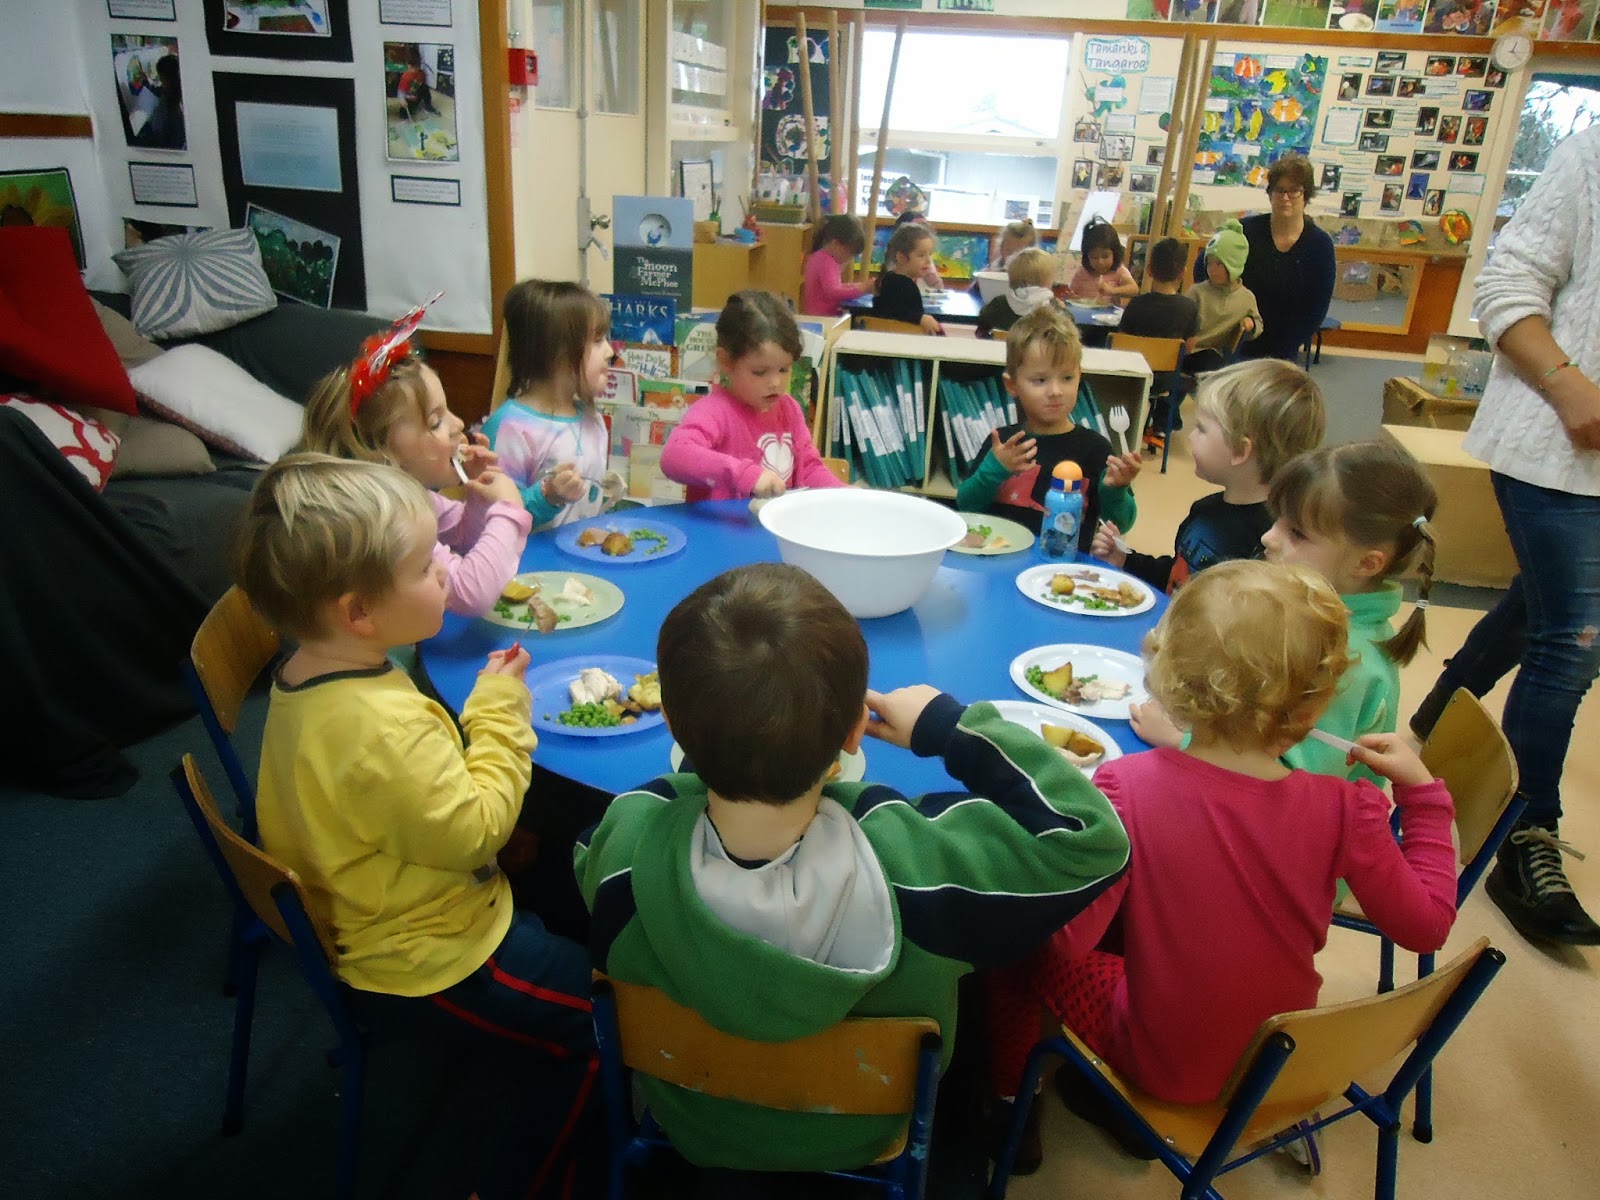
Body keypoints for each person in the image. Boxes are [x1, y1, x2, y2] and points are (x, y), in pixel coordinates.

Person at [574, 562, 1131, 1174]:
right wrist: (949, 728)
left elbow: (595, 846)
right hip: (862, 1133)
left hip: (694, 1122)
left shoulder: (627, 844)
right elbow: (1092, 840)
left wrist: (711, 757)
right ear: (854, 734)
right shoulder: (917, 867)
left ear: (671, 723)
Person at [984, 560, 1457, 1172]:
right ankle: (1105, 1103)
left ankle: (1008, 1110)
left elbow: (1068, 939)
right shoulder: (1350, 808)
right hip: (1281, 1060)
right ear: (1315, 706)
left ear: (1168, 678)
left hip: (1167, 1062)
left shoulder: (1126, 788)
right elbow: (1428, 926)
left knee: (1017, 954)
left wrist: (1038, 845)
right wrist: (1423, 797)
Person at [237, 453, 597, 1199]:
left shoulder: (314, 670)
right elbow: (477, 832)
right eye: (427, 563)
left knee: (555, 869)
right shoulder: (381, 730)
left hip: (379, 903)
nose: (446, 568)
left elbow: (394, 806)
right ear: (358, 613)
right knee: (604, 1027)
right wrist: (499, 710)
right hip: (433, 957)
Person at [1410, 125, 1600, 946]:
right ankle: (1527, 832)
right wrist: (1568, 386)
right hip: (1561, 444)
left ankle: (1442, 708)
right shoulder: (1591, 154)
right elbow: (1506, 286)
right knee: (1576, 636)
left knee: (1545, 604)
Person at [1132, 439, 1437, 785]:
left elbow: (1289, 786)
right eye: (1277, 520)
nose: (1268, 537)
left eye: (1297, 533)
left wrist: (1183, 741)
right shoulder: (1309, 614)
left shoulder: (1343, 660)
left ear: (1366, 564)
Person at [299, 316, 531, 618]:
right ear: (381, 454)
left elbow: (464, 537)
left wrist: (477, 491)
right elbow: (469, 594)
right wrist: (509, 511)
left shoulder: (415, 496)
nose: (458, 424)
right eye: (435, 422)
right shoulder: (387, 519)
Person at [1092, 358, 1325, 594]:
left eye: (1202, 429)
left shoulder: (1268, 543)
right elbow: (1180, 574)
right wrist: (1126, 560)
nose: (1191, 436)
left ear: (1240, 451)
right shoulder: (1207, 510)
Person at [957, 308, 1141, 546]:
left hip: (1062, 566)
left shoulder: (1095, 449)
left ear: (1079, 376)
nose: (1056, 391)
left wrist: (1116, 490)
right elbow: (966, 505)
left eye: (1067, 378)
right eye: (1040, 380)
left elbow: (1121, 523)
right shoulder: (1004, 444)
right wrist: (994, 469)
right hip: (998, 558)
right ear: (1012, 385)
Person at [660, 289, 846, 501]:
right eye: (760, 372)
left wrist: (845, 494)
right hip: (720, 523)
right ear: (726, 361)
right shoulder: (713, 412)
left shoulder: (790, 409)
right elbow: (674, 456)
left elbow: (809, 468)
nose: (776, 382)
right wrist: (745, 475)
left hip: (770, 522)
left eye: (784, 369)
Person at [480, 280, 615, 530]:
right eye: (597, 340)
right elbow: (492, 517)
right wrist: (548, 496)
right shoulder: (511, 428)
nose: (610, 351)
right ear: (557, 353)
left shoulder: (592, 419)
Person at [1217, 154, 1336, 364]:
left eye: (1294, 191)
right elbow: (1205, 268)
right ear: (1270, 193)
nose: (1285, 197)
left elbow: (1316, 307)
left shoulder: (1320, 244)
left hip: (1284, 351)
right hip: (1235, 342)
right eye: (1279, 190)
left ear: (1306, 195)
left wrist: (1288, 347)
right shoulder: (1244, 231)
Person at [1118, 236, 1200, 436]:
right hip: (1167, 380)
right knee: (1186, 377)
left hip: (1134, 377)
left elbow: (1121, 342)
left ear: (1149, 270)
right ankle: (1163, 424)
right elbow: (1189, 347)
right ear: (1183, 272)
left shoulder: (1135, 305)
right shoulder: (1189, 308)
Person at [1185, 219, 1263, 373]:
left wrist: (1251, 324)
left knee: (1218, 363)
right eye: (1209, 263)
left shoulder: (1246, 298)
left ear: (1233, 265)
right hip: (1189, 352)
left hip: (1217, 355)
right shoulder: (1197, 292)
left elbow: (1258, 324)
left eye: (1219, 264)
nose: (1212, 269)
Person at [872, 221, 943, 334]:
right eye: (921, 255)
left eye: (930, 255)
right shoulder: (903, 283)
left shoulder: (888, 278)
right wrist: (920, 318)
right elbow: (894, 312)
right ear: (901, 257)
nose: (928, 261)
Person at [975, 247, 1059, 339]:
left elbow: (982, 327)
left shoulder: (998, 304)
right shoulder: (1053, 309)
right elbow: (1065, 333)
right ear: (1047, 280)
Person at [801, 214, 871, 317]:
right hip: (824, 317)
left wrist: (858, 286)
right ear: (836, 244)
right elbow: (833, 292)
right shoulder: (826, 261)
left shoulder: (819, 257)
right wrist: (862, 289)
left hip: (819, 315)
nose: (849, 259)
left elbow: (834, 287)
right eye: (849, 254)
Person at [1066, 218, 1138, 304]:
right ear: (1086, 257)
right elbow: (1072, 293)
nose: (1100, 262)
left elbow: (1134, 289)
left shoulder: (1118, 271)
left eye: (1105, 256)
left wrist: (1113, 290)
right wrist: (1073, 297)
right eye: (1094, 257)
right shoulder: (1082, 273)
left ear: (1115, 253)